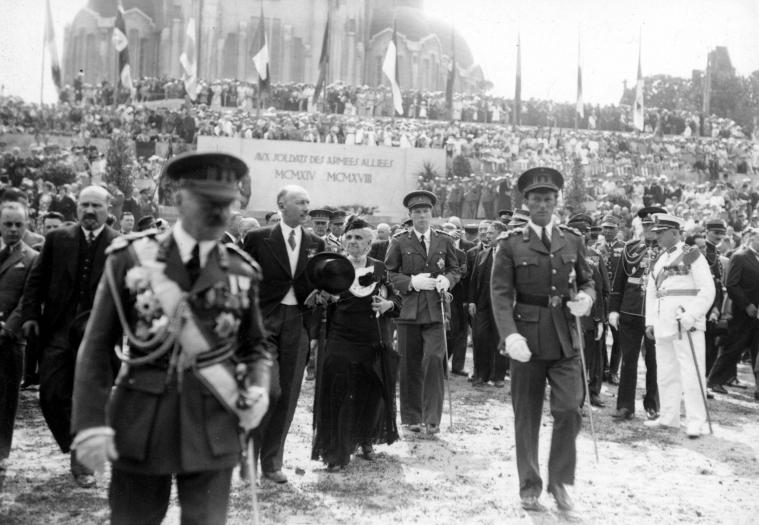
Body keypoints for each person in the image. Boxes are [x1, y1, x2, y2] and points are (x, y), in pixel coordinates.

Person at [71, 152, 272, 524]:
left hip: (214, 422)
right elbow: (97, 346)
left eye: (227, 203)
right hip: (142, 425)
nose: (220, 213)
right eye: (208, 202)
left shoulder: (242, 270)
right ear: (178, 199)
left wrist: (258, 387)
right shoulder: (131, 258)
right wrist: (91, 424)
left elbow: (256, 346)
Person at [490, 167, 595, 514]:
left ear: (556, 202)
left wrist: (587, 299)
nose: (542, 205)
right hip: (527, 341)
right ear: (526, 202)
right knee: (527, 415)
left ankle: (560, 481)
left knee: (569, 409)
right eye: (536, 199)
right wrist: (510, 335)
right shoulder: (510, 244)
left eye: (548, 199)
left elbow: (587, 280)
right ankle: (530, 485)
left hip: (565, 339)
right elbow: (501, 295)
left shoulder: (572, 240)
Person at [21, 185, 119, 488]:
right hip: (59, 330)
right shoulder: (57, 239)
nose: (89, 211)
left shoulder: (120, 245)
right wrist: (30, 317)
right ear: (76, 208)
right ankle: (78, 444)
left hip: (97, 334)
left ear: (108, 210)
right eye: (84, 205)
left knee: (88, 400)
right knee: (50, 395)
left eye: (96, 206)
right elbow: (35, 282)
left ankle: (82, 461)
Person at [243, 184, 325, 484]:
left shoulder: (316, 242)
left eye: (308, 202)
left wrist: (322, 294)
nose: (305, 208)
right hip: (264, 321)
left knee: (289, 393)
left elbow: (321, 280)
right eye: (299, 202)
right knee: (270, 390)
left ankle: (272, 462)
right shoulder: (256, 238)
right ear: (281, 205)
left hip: (299, 322)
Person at [311, 217, 400, 470]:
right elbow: (318, 304)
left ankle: (364, 439)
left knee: (369, 393)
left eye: (358, 238)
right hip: (340, 340)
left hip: (372, 340)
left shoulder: (380, 268)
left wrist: (387, 304)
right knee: (339, 393)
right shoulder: (332, 267)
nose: (352, 242)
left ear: (370, 243)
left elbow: (396, 298)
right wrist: (322, 301)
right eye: (349, 237)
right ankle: (337, 453)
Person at [385, 190, 461, 436]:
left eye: (426, 211)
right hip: (408, 311)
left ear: (432, 214)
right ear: (410, 215)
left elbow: (455, 268)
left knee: (433, 360)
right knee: (409, 364)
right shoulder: (399, 241)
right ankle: (411, 417)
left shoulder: (444, 240)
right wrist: (411, 282)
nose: (422, 216)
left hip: (436, 310)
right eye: (417, 212)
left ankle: (432, 419)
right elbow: (389, 273)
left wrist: (448, 281)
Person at [644, 214, 715, 438]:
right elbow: (652, 293)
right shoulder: (659, 259)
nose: (657, 237)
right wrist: (650, 321)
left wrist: (692, 315)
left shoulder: (692, 255)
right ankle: (669, 416)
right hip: (663, 321)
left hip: (685, 323)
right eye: (656, 233)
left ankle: (696, 421)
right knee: (666, 372)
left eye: (661, 233)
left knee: (691, 372)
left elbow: (708, 290)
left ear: (675, 233)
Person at [609, 207, 664, 420]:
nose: (649, 229)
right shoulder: (630, 248)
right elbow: (619, 282)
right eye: (646, 225)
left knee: (654, 361)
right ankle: (625, 406)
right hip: (630, 312)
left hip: (656, 315)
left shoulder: (667, 251)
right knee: (628, 360)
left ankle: (652, 404)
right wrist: (613, 309)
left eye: (653, 225)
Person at [0, 202, 39, 470]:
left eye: (18, 224)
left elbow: (28, 299)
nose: (13, 229)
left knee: (6, 398)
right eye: (8, 224)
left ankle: (1, 452)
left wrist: (7, 327)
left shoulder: (32, 258)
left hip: (9, 340)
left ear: (26, 226)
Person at [708, 227, 759, 395]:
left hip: (757, 315)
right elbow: (731, 284)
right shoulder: (740, 257)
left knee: (757, 352)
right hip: (741, 314)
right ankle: (715, 380)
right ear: (752, 238)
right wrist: (746, 305)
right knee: (733, 348)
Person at [467, 220, 508, 387]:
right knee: (479, 337)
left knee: (500, 338)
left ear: (500, 235)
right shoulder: (482, 254)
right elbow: (473, 280)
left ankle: (498, 376)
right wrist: (471, 301)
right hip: (482, 303)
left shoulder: (510, 255)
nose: (486, 235)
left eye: (491, 233)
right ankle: (480, 374)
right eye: (486, 232)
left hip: (502, 305)